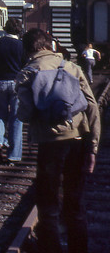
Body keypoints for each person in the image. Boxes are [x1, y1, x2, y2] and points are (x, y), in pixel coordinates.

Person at [17, 28, 100, 253]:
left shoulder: (27, 72)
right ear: (49, 46)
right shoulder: (72, 67)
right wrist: (92, 146)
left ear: (28, 50)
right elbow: (92, 107)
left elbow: (24, 114)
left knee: (48, 204)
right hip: (78, 141)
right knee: (75, 203)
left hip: (49, 144)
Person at [0, 17, 25, 164]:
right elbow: (26, 67)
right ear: (19, 30)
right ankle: (13, 155)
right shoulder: (22, 45)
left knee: (0, 115)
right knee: (16, 118)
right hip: (17, 84)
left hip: (1, 83)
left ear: (5, 28)